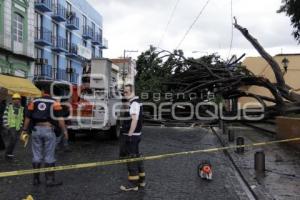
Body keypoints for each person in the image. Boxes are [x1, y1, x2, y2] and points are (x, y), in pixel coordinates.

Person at [22, 89, 68, 187]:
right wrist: (64, 131)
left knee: (36, 155)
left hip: (36, 130)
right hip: (48, 130)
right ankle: (49, 180)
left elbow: (28, 117)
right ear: (50, 93)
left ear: (42, 92)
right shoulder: (55, 102)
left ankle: (36, 179)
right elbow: (60, 119)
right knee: (49, 155)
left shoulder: (34, 101)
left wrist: (24, 130)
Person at [119, 84, 145, 192]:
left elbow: (134, 120)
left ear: (133, 92)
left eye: (127, 92)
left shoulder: (134, 103)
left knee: (131, 160)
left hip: (132, 136)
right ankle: (141, 181)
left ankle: (133, 184)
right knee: (137, 158)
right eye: (123, 92)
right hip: (136, 135)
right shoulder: (137, 102)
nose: (125, 94)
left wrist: (129, 134)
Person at [2, 93, 24, 160]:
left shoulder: (21, 108)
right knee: (13, 139)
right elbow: (5, 116)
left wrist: (21, 125)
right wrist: (6, 125)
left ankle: (9, 153)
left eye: (18, 99)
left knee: (14, 140)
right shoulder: (9, 107)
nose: (16, 100)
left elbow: (21, 117)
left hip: (18, 127)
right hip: (11, 126)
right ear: (12, 100)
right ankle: (8, 153)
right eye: (14, 99)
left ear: (19, 100)